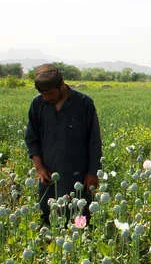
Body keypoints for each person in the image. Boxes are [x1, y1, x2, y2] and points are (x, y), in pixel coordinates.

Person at [25, 64, 102, 225]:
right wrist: (39, 169)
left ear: (62, 85)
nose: (46, 97)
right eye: (42, 93)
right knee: (49, 220)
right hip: (49, 176)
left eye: (50, 93)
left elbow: (94, 142)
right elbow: (32, 139)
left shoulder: (83, 103)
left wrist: (92, 173)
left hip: (79, 176)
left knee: (79, 219)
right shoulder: (38, 104)